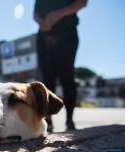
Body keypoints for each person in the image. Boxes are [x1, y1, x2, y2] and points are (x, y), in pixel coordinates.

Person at [34, 0, 87, 132]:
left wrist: (59, 13)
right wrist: (41, 21)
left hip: (67, 33)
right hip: (44, 35)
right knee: (47, 78)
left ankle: (69, 119)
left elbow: (82, 2)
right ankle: (48, 119)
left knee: (67, 76)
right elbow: (35, 13)